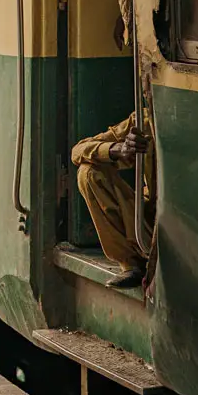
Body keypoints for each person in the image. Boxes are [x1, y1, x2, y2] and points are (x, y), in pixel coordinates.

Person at [71, 112, 153, 289]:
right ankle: (132, 263)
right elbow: (77, 151)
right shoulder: (146, 120)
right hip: (153, 228)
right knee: (89, 173)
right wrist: (119, 149)